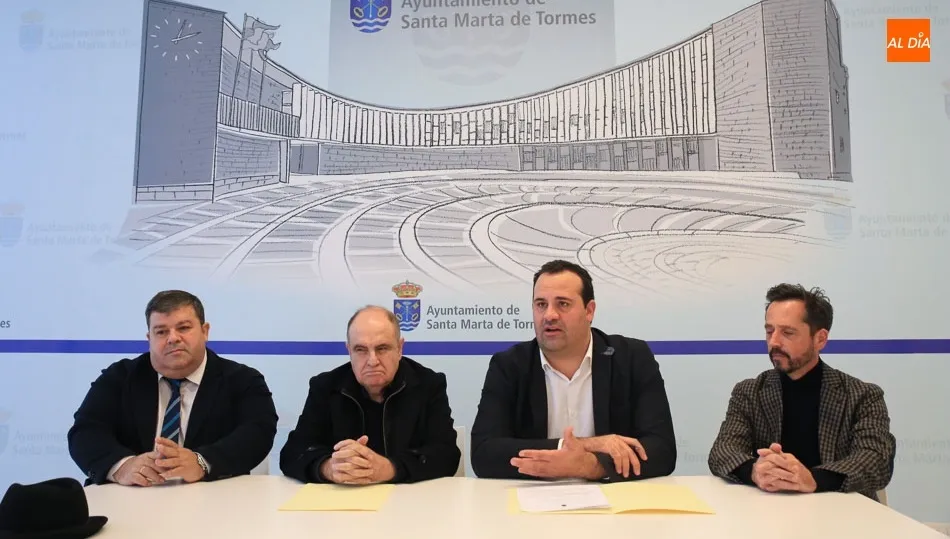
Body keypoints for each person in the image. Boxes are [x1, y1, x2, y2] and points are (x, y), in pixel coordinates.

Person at [470, 259, 677, 481]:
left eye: (563, 304)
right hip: (532, 501)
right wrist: (581, 445)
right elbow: (484, 453)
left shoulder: (631, 358)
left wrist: (591, 466)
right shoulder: (509, 366)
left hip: (614, 501)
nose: (549, 315)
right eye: (541, 304)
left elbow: (661, 451)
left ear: (589, 311)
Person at [67, 290, 278, 486]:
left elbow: (257, 433)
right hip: (132, 496)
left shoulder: (242, 379)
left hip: (215, 498)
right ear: (149, 338)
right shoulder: (120, 377)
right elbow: (86, 432)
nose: (173, 338)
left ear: (205, 331)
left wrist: (202, 462)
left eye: (184, 328)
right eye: (161, 331)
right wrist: (123, 466)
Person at [708, 284, 896, 501]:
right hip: (767, 518)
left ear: (820, 339)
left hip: (842, 518)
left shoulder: (862, 396)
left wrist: (813, 479)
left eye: (787, 333)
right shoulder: (750, 392)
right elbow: (722, 452)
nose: (774, 342)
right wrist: (756, 470)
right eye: (769, 331)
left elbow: (876, 461)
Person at [280, 305, 461, 484]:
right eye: (361, 350)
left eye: (382, 348)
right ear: (349, 350)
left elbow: (446, 454)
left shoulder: (428, 384)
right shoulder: (326, 387)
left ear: (400, 348)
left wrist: (389, 468)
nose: (372, 361)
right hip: (343, 502)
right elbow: (293, 453)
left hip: (408, 502)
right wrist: (329, 468)